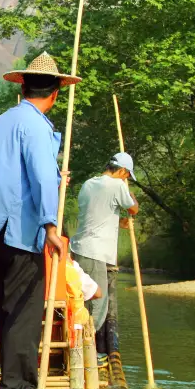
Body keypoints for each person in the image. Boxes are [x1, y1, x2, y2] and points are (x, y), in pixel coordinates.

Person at [0, 52, 81, 389]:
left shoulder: (4, 121)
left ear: (24, 87)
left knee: (7, 306)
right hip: (20, 230)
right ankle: (18, 388)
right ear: (56, 93)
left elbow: (9, 176)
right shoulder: (37, 127)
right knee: (26, 307)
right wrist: (51, 226)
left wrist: (55, 181)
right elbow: (41, 178)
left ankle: (13, 386)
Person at [70, 153, 139, 365]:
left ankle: (79, 344)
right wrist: (129, 190)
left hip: (80, 248)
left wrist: (119, 222)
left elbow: (96, 216)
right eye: (126, 175)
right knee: (99, 301)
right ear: (122, 172)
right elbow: (133, 208)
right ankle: (88, 351)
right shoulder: (118, 186)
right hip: (96, 252)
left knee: (81, 298)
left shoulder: (88, 184)